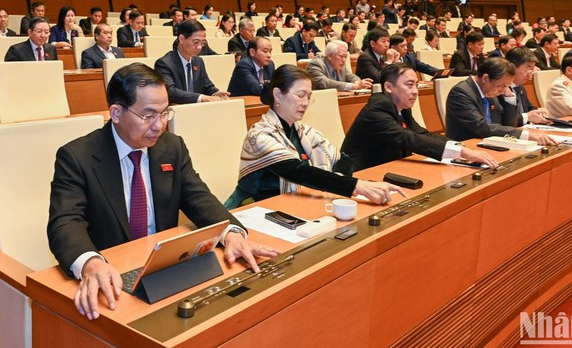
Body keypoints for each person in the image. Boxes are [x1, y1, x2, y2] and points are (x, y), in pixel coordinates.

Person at [48, 63, 279, 321]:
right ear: (116, 112)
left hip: (164, 271)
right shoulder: (77, 156)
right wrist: (90, 263)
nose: (159, 126)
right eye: (148, 116)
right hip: (111, 276)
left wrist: (232, 233)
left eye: (164, 113)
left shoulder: (172, 146)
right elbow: (65, 223)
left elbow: (198, 197)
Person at [224, 65, 406, 208]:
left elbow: (343, 160)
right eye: (300, 95)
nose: (305, 103)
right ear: (278, 95)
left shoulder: (304, 132)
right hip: (256, 209)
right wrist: (356, 186)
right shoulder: (259, 136)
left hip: (297, 203)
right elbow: (299, 172)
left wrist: (336, 182)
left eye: (309, 97)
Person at [342, 63, 497, 170]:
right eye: (409, 85)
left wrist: (460, 147)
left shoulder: (400, 107)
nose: (415, 91)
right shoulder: (376, 111)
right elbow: (410, 139)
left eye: (416, 85)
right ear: (388, 87)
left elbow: (422, 133)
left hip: (388, 168)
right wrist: (463, 153)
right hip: (361, 175)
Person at [445, 58, 555, 144]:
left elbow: (509, 125)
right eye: (502, 86)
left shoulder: (491, 89)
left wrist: (509, 98)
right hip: (467, 147)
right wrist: (526, 135)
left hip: (492, 144)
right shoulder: (461, 93)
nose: (503, 90)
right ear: (485, 78)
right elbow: (482, 127)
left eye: (507, 86)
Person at [154, 20, 229, 104]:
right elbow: (170, 92)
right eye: (196, 42)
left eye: (203, 43)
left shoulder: (198, 61)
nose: (199, 47)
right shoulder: (164, 63)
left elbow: (207, 86)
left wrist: (215, 93)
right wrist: (201, 98)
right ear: (181, 39)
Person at [499, 48, 551, 126]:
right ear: (512, 67)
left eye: (532, 69)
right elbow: (503, 119)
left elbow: (529, 108)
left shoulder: (520, 87)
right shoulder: (500, 88)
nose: (530, 73)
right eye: (528, 68)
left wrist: (539, 111)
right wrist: (527, 117)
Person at [306, 41, 373, 92]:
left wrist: (358, 82)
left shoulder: (340, 64)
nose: (344, 60)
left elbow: (351, 76)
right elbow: (325, 83)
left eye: (345, 56)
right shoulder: (316, 64)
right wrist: (352, 86)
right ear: (329, 56)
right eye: (341, 56)